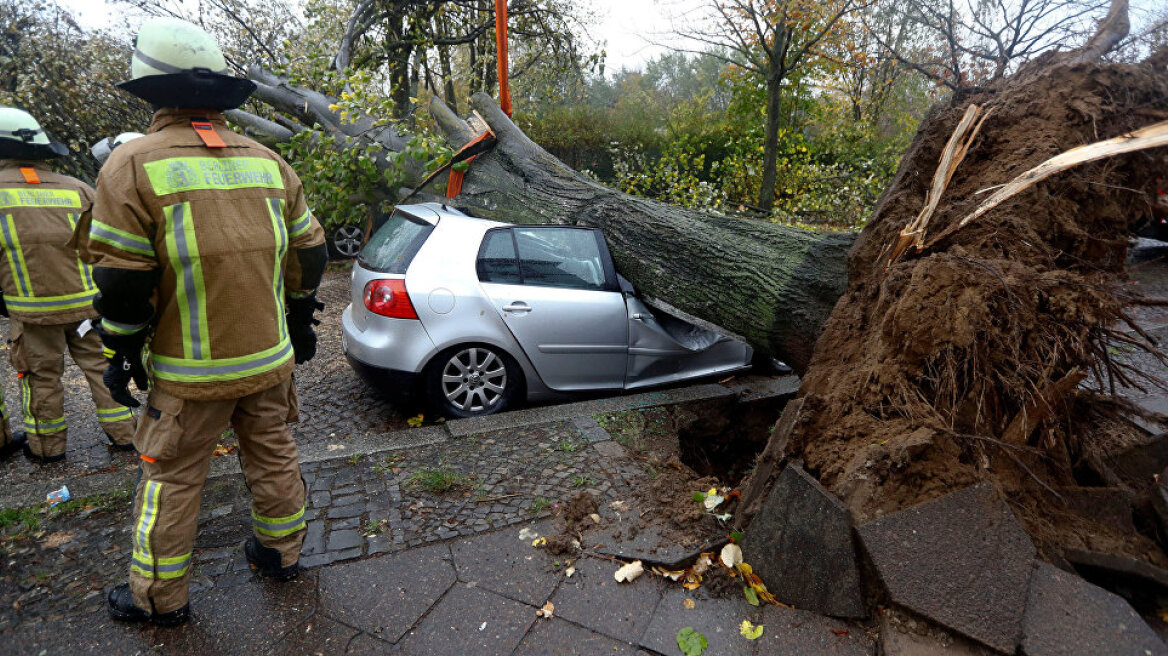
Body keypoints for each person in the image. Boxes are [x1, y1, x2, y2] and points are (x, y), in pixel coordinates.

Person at [81, 17, 327, 627]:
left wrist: (121, 351)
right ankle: (281, 554)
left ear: (152, 93)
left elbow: (121, 281)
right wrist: (300, 320)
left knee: (172, 476)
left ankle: (160, 599)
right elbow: (312, 251)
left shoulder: (131, 165)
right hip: (269, 360)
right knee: (273, 453)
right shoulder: (269, 161)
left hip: (190, 375)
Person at [0, 107, 137, 464]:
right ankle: (126, 435)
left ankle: (48, 449)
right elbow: (107, 248)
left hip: (32, 316)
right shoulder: (78, 190)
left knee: (41, 378)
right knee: (102, 369)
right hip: (90, 308)